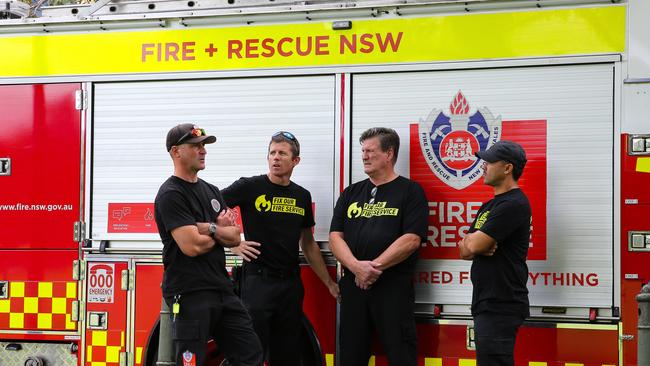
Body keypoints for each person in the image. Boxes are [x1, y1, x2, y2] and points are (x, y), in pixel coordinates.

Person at [221, 131, 339, 366]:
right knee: (251, 354)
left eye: (282, 153)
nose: (275, 158)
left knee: (287, 355)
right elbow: (208, 207)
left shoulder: (302, 196)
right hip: (257, 284)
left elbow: (308, 243)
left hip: (290, 286)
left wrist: (329, 283)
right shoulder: (249, 186)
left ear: (295, 161)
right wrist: (233, 244)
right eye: (272, 153)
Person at [154, 123, 263, 366]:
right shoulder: (171, 194)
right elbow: (191, 246)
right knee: (191, 362)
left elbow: (235, 236)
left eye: (204, 145)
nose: (202, 150)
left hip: (222, 290)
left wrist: (209, 227)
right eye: (195, 145)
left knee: (251, 354)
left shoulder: (211, 191)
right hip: (190, 293)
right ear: (175, 152)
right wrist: (218, 228)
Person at [329, 127, 428, 366]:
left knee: (401, 354)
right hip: (353, 289)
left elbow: (411, 239)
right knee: (351, 355)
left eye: (370, 151)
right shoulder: (351, 192)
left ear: (389, 153)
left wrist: (372, 269)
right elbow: (335, 237)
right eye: (362, 151)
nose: (364, 156)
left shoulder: (410, 191)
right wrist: (355, 267)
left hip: (392, 289)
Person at [458, 140, 531, 366]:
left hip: (502, 302)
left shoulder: (513, 204)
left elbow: (475, 246)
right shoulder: (489, 206)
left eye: (489, 162)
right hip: (486, 302)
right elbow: (464, 250)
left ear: (507, 168)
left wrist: (474, 243)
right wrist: (473, 242)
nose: (483, 166)